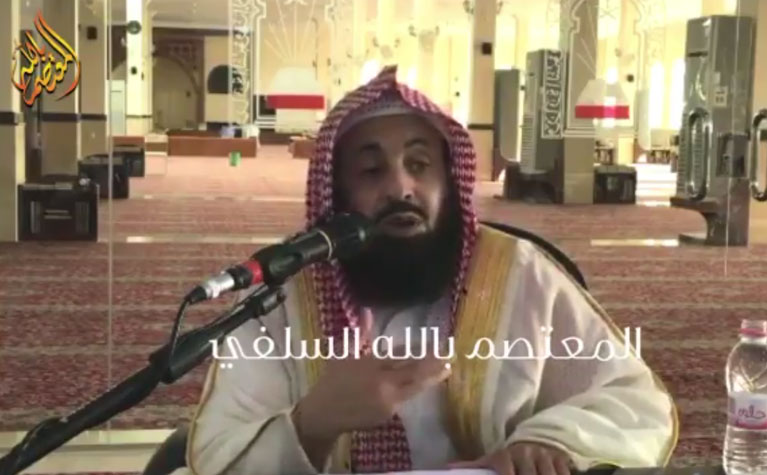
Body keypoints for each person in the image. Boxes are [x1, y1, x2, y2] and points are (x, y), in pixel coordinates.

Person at [181, 65, 678, 475]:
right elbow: (218, 454)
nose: (401, 188)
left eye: (419, 165)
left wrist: (550, 439)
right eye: (371, 171)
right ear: (337, 194)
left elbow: (634, 401)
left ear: (449, 179)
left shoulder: (520, 274)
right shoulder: (284, 297)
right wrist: (313, 422)